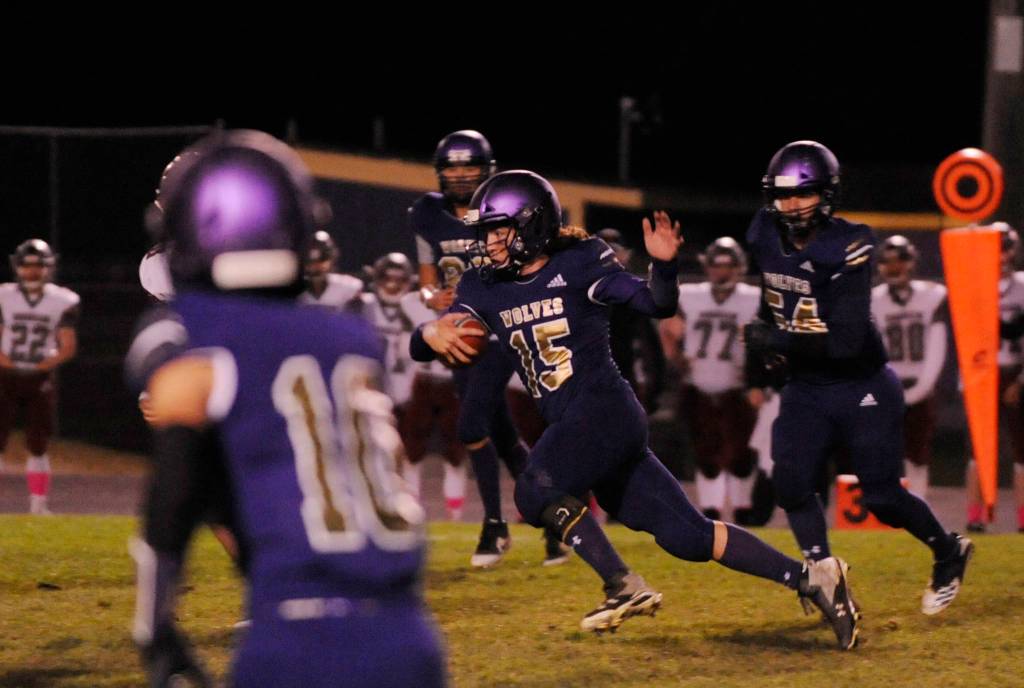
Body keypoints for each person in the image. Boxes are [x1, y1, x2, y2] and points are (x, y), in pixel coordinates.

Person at [411, 169, 859, 648]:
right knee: (690, 538)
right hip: (577, 423)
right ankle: (815, 579)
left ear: (532, 224)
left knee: (533, 490)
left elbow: (655, 304)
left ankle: (622, 585)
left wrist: (663, 267)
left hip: (604, 409)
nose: (490, 242)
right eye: (486, 231)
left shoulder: (580, 262)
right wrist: (429, 333)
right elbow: (432, 341)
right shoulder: (484, 285)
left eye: (499, 229)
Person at [129, 130, 443, 688]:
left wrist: (154, 631)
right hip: (410, 636)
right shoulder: (350, 338)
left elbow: (177, 465)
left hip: (298, 636)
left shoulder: (199, 332)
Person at [747, 140, 971, 616]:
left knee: (882, 498)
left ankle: (948, 550)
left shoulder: (850, 243)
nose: (789, 204)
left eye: (801, 194)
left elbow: (846, 340)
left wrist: (777, 341)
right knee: (789, 482)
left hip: (861, 384)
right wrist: (767, 352)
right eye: (782, 194)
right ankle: (825, 576)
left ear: (826, 195)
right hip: (807, 385)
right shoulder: (764, 231)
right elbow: (774, 292)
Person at [410, 130, 563, 566]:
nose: (460, 175)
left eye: (469, 166)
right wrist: (431, 300)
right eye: (452, 167)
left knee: (471, 425)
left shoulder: (503, 207)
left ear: (487, 170)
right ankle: (558, 521)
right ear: (440, 172)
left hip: (497, 328)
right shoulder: (427, 214)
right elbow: (426, 281)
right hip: (458, 331)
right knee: (504, 435)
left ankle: (494, 525)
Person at [659, 237, 762, 523]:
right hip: (699, 384)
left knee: (741, 456)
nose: (722, 272)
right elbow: (668, 329)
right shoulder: (690, 294)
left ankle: (743, 513)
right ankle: (711, 514)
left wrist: (758, 377)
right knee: (705, 454)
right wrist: (678, 359)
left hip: (738, 387)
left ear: (739, 267)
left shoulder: (753, 297)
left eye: (728, 266)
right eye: (716, 266)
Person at [361, 252, 468, 520]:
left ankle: (454, 516)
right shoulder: (408, 304)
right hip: (414, 381)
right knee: (408, 450)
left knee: (455, 453)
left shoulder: (470, 302)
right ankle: (405, 507)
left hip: (451, 381)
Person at [0, 239, 80, 514]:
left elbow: (67, 344)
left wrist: (45, 363)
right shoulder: (4, 296)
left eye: (38, 266)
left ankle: (38, 505)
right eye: (27, 266)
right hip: (5, 375)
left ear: (48, 268)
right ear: (17, 267)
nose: (32, 272)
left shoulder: (62, 300)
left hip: (39, 377)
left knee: (38, 444)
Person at [870, 235, 948, 502]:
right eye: (888, 262)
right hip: (886, 384)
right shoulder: (873, 300)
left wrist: (918, 391)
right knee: (881, 452)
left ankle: (919, 507)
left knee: (917, 455)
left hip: (920, 382)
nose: (894, 267)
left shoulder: (932, 295)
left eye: (900, 260)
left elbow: (937, 348)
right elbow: (869, 352)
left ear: (912, 262)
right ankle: (887, 510)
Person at [965, 223, 1024, 532]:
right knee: (978, 450)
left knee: (1021, 450)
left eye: (1005, 249)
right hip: (982, 373)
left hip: (1014, 370)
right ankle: (976, 516)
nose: (1001, 256)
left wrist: (1020, 380)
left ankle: (1022, 518)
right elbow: (967, 337)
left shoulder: (1021, 286)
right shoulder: (974, 285)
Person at [298, 230, 363, 310]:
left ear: (332, 259)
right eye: (310, 260)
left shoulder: (349, 287)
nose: (316, 265)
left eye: (322, 259)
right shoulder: (293, 291)